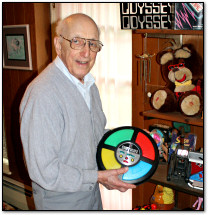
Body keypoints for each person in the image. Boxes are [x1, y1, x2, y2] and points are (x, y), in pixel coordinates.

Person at [19, 13, 136, 210]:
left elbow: (93, 135)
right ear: (58, 45)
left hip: (91, 195)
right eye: (77, 42)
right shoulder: (42, 94)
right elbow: (45, 171)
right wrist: (98, 177)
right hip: (60, 202)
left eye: (92, 44)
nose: (86, 53)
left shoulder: (88, 84)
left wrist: (132, 143)